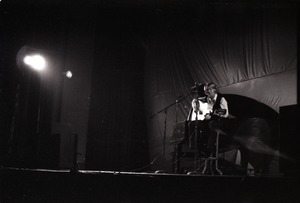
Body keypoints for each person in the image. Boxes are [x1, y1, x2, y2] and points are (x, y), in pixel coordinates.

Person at [188, 82, 230, 157]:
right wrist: (195, 102)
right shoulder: (208, 99)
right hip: (211, 120)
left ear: (215, 90)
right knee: (193, 123)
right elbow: (206, 108)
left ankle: (209, 149)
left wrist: (214, 115)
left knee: (211, 124)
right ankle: (197, 147)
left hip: (221, 121)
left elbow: (225, 114)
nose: (207, 92)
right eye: (206, 90)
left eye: (209, 89)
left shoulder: (221, 99)